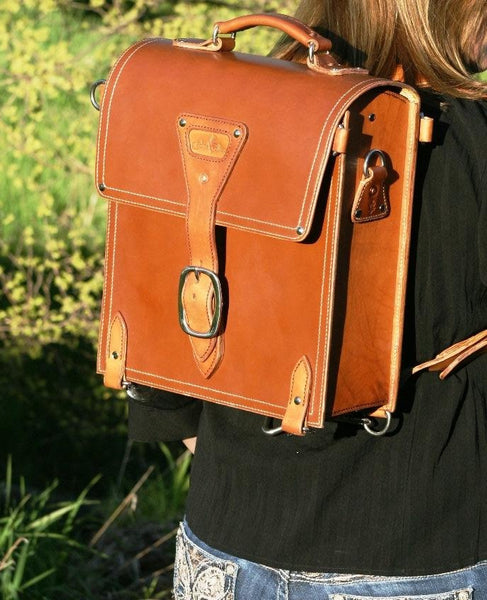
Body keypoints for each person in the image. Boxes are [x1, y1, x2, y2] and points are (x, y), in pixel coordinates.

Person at [127, 0, 487, 597]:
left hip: (228, 544)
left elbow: (160, 334)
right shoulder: (470, 139)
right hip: (419, 550)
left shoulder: (225, 105)